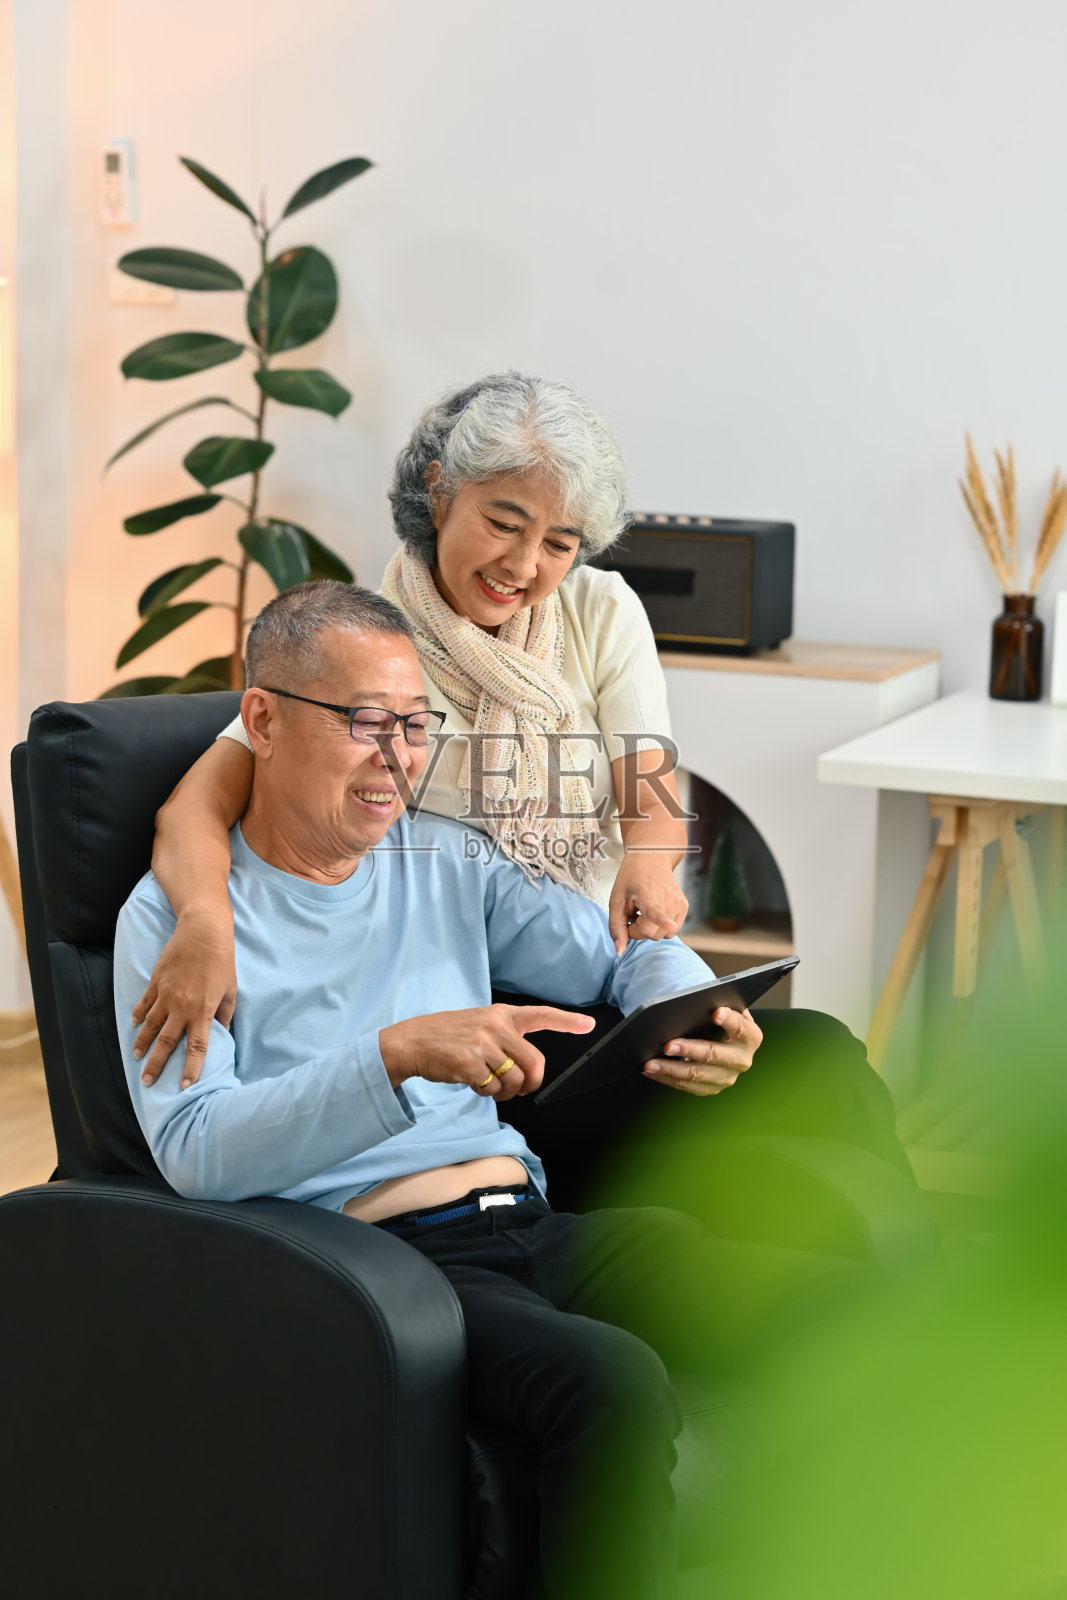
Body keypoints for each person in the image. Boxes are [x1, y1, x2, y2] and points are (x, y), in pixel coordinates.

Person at [113, 582, 798, 1600]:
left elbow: (619, 954)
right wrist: (392, 1056)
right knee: (610, 1385)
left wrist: (692, 1003)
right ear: (260, 718)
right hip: (383, 1267)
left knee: (812, 1302)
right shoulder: (175, 929)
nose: (398, 758)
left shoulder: (445, 859)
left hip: (530, 1219)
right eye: (364, 725)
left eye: (417, 726)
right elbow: (197, 1150)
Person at [132, 372, 693, 1088]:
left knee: (809, 1050)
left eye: (559, 542)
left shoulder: (601, 608)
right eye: (503, 523)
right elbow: (193, 808)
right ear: (437, 490)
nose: (522, 566)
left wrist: (649, 859)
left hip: (609, 955)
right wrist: (205, 926)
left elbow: (648, 782)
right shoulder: (364, 648)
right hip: (458, 996)